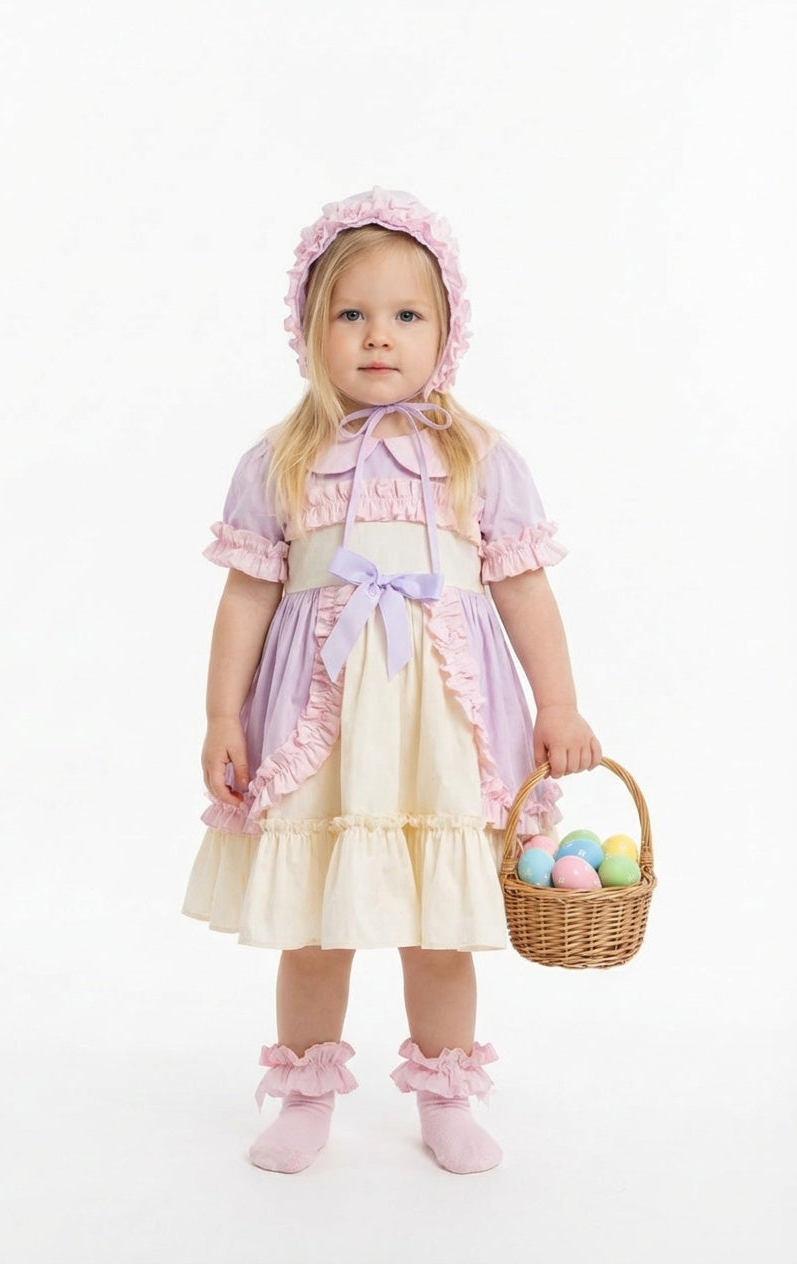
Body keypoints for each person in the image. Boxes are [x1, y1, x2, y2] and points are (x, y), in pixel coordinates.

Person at [182, 187, 601, 1175]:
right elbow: (246, 597)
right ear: (309, 329)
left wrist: (559, 704)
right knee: (317, 929)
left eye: (406, 315)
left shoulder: (475, 458)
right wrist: (219, 713)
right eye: (351, 313)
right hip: (320, 726)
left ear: (445, 332)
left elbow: (523, 592)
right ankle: (304, 1091)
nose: (379, 337)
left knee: (437, 928)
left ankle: (445, 1090)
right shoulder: (281, 458)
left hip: (439, 729)